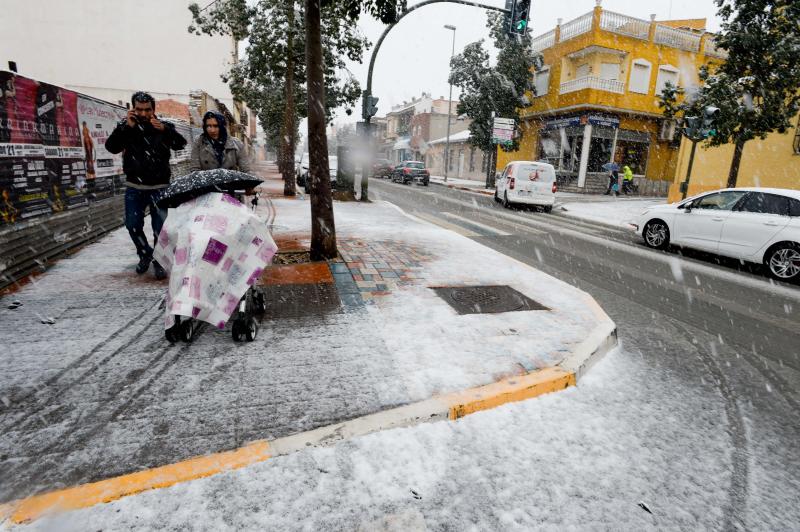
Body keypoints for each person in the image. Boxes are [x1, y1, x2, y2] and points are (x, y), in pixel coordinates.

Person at [105, 91, 187, 279]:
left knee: (160, 229)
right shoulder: (126, 126)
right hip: (135, 187)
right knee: (132, 225)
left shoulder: (164, 126)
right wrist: (126, 128)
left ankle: (159, 260)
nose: (143, 113)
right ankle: (145, 254)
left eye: (147, 110)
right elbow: (111, 147)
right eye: (139, 109)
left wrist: (165, 130)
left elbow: (180, 144)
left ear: (153, 109)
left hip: (160, 187)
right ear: (133, 109)